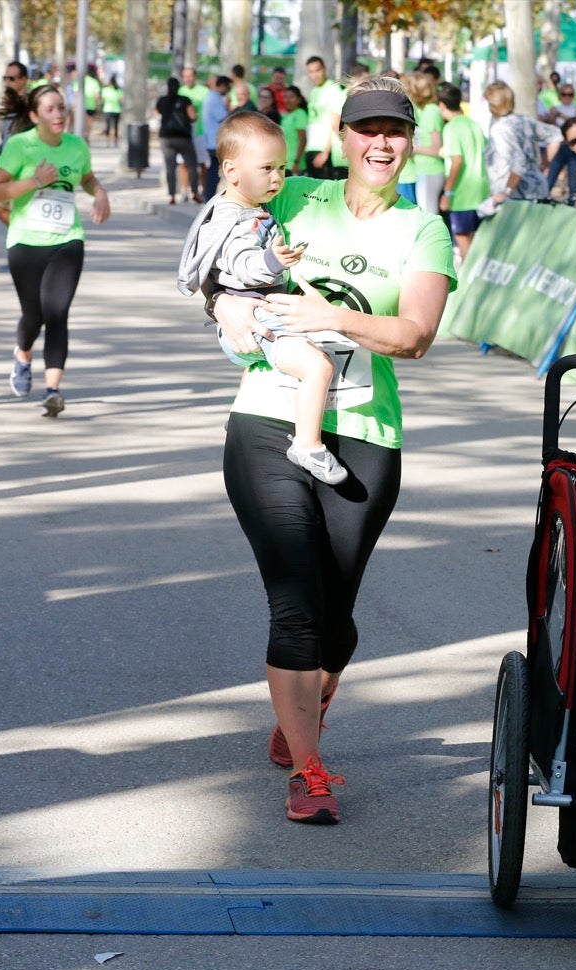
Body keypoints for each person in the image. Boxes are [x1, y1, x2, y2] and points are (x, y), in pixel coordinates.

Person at [206, 76, 456, 825]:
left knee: (337, 614)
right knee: (296, 604)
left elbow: (413, 335)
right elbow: (221, 241)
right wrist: (223, 302)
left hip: (366, 430)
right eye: (366, 129)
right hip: (268, 417)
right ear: (342, 137)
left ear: (410, 142)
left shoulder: (423, 230)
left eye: (395, 131)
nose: (381, 144)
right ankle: (310, 770)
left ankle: (305, 707)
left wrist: (329, 317)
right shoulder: (295, 195)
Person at [180, 111, 353, 484]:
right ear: (231, 170)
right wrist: (272, 260)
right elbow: (240, 266)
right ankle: (307, 443)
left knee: (261, 368)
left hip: (258, 317)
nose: (278, 177)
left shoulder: (246, 206)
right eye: (267, 168)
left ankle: (240, 419)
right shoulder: (234, 218)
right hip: (257, 316)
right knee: (318, 366)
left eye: (283, 167)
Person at [0, 83, 111, 416]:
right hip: (26, 242)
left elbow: (86, 178)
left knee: (57, 312)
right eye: (50, 109)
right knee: (34, 315)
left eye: (62, 107)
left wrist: (99, 192)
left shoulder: (76, 146)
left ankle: (53, 390)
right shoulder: (19, 146)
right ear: (34, 116)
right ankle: (22, 353)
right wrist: (34, 182)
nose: (59, 114)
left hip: (67, 240)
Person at [482, 81, 561, 208]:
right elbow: (555, 135)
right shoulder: (524, 120)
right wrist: (543, 166)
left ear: (492, 104)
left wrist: (506, 192)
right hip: (538, 187)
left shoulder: (500, 129)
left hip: (517, 196)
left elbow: (518, 161)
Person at [436, 81, 486, 259]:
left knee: (463, 240)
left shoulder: (451, 128)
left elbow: (457, 161)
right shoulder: (474, 124)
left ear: (441, 105)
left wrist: (447, 193)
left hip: (462, 194)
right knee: (478, 243)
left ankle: (468, 283)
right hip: (482, 192)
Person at [404, 70, 444, 213]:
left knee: (429, 215)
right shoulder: (421, 110)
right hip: (421, 171)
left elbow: (437, 148)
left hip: (431, 171)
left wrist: (412, 148)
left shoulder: (432, 111)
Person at [304, 55, 349, 180]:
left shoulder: (333, 89)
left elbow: (335, 121)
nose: (315, 75)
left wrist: (325, 152)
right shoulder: (314, 92)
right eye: (311, 72)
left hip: (326, 151)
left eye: (317, 70)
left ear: (325, 69)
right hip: (312, 147)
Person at [155, 76, 197, 206]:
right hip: (184, 137)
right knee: (191, 166)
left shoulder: (162, 100)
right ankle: (195, 193)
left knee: (170, 167)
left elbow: (157, 113)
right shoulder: (185, 100)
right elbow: (193, 117)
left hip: (166, 138)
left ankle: (172, 196)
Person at [179, 65, 211, 201]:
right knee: (184, 163)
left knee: (202, 163)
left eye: (190, 76)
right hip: (185, 133)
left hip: (200, 132)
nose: (187, 79)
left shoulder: (204, 91)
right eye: (185, 76)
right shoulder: (180, 91)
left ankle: (203, 190)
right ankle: (184, 191)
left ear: (195, 77)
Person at [201, 74, 232, 204]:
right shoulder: (215, 98)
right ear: (222, 86)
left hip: (211, 139)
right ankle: (209, 196)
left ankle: (208, 196)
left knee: (214, 169)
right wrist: (230, 108)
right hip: (216, 140)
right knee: (215, 170)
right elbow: (223, 118)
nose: (229, 90)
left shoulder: (211, 97)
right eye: (228, 87)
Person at [100, 75, 122, 147]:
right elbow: (121, 99)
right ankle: (115, 142)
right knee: (115, 127)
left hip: (108, 110)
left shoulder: (105, 90)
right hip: (116, 110)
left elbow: (103, 99)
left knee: (108, 127)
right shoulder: (118, 90)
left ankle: (108, 142)